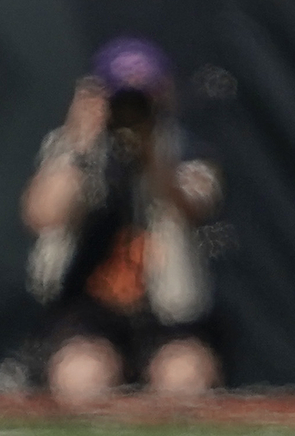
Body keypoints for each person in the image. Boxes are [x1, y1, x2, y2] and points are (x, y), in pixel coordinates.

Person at [18, 39, 223, 405]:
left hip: (166, 311)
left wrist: (153, 154)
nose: (131, 109)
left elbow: (193, 206)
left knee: (185, 376)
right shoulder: (69, 149)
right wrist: (80, 142)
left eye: (142, 98)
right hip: (87, 310)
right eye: (122, 98)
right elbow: (42, 215)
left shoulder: (188, 151)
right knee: (81, 376)